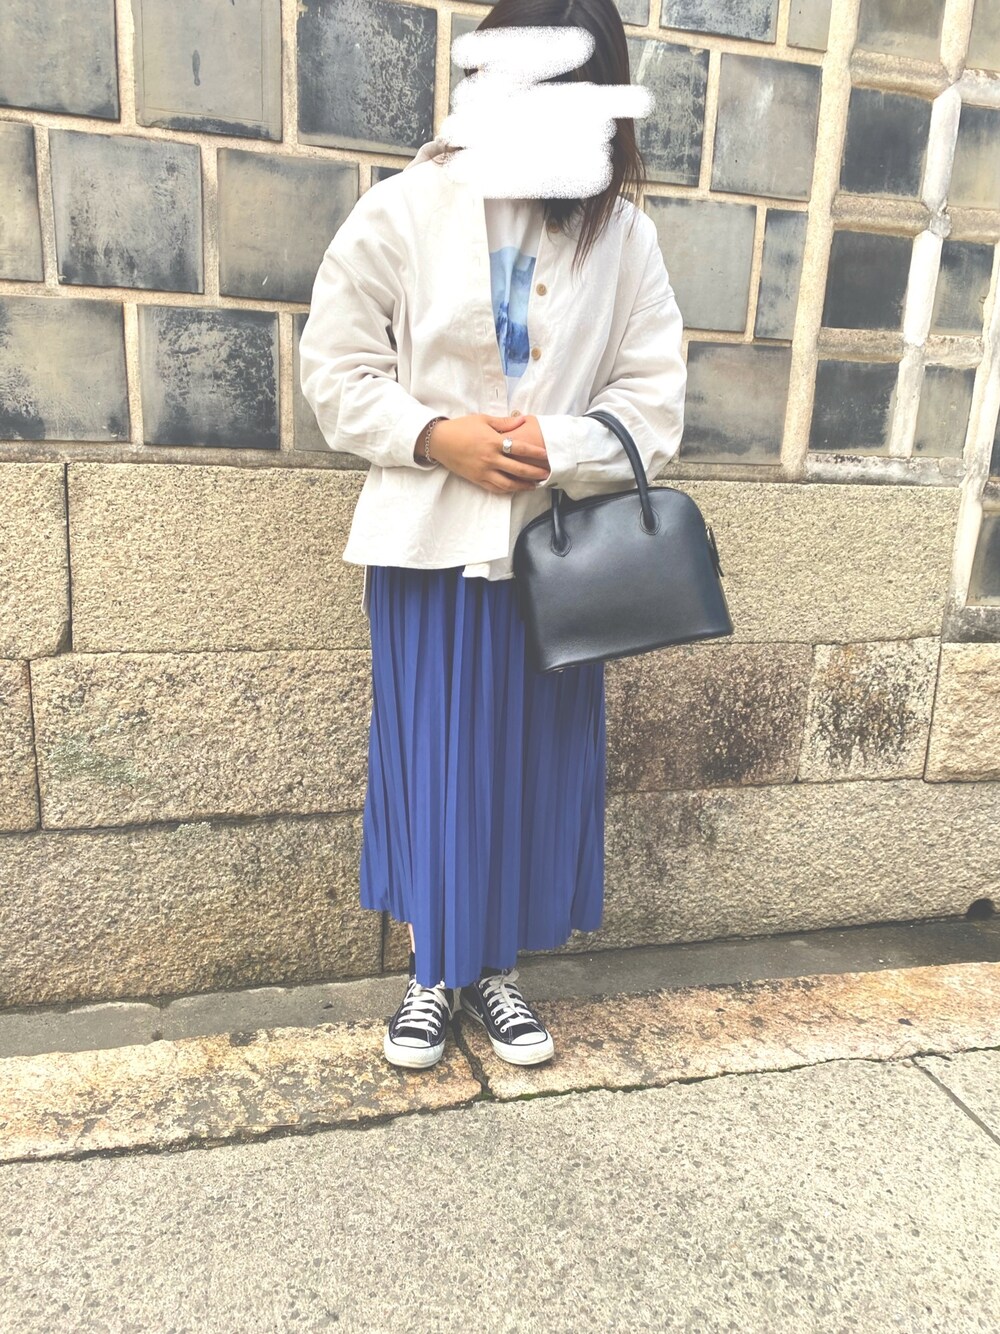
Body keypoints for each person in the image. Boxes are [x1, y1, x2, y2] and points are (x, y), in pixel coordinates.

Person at [298, 0, 687, 1072]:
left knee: (531, 769)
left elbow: (653, 401)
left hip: (557, 564)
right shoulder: (406, 209)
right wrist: (437, 435)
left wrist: (559, 444)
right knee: (432, 762)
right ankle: (433, 970)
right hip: (428, 549)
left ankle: (496, 969)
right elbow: (334, 371)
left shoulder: (623, 237)